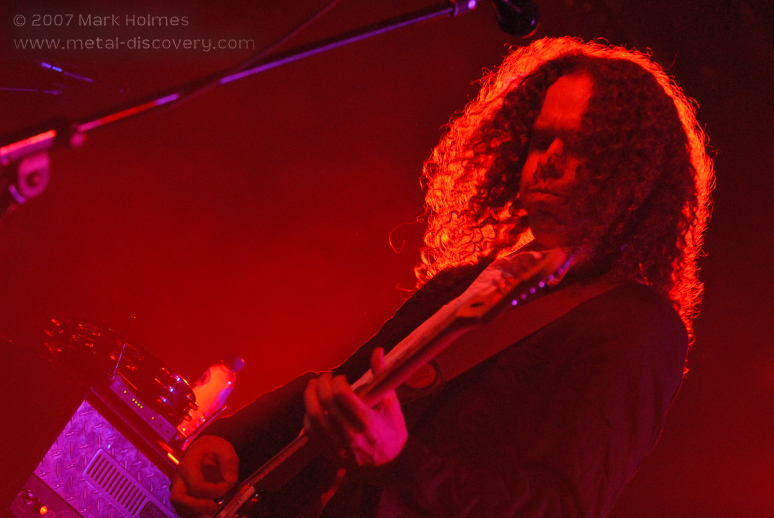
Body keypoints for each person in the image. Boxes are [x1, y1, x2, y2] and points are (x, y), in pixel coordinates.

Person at [170, 37, 713, 518]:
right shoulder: (467, 285)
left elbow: (559, 507)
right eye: (541, 139)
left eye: (581, 145)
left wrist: (399, 460)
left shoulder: (639, 330)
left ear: (632, 171)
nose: (547, 161)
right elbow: (344, 386)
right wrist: (233, 442)